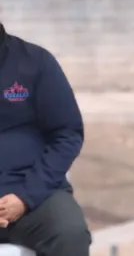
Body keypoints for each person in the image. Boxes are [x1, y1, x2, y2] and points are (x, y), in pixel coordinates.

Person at [0, 23, 91, 255]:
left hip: (33, 194)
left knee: (69, 232)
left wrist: (25, 197)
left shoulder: (35, 62)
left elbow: (68, 134)